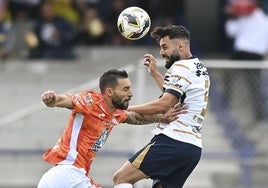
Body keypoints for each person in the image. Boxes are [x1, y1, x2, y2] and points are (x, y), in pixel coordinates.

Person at [37, 69, 186, 188]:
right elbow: (65, 100)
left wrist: (161, 118)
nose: (131, 93)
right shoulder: (91, 101)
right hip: (68, 175)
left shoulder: (115, 113)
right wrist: (53, 99)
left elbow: (134, 117)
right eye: (125, 89)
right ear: (109, 92)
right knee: (122, 179)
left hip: (61, 178)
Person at [113, 25, 210, 188]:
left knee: (121, 179)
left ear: (180, 46)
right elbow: (176, 96)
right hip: (192, 148)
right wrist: (155, 74)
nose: (161, 52)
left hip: (173, 141)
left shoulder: (181, 67)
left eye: (165, 47)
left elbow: (164, 104)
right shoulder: (198, 67)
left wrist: (123, 109)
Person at [224, 0, 268, 122]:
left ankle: (225, 105)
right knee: (254, 85)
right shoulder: (256, 19)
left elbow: (230, 32)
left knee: (233, 80)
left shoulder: (246, 17)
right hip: (253, 55)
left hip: (244, 53)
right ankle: (259, 114)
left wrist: (232, 17)